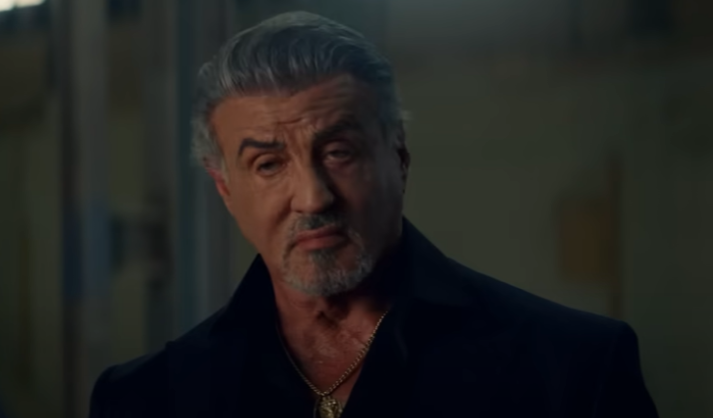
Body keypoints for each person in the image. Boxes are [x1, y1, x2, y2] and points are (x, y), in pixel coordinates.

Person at [89, 11, 658, 418]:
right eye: (268, 164)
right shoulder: (144, 398)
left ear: (399, 158)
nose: (313, 198)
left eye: (339, 152)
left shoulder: (572, 369)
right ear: (225, 190)